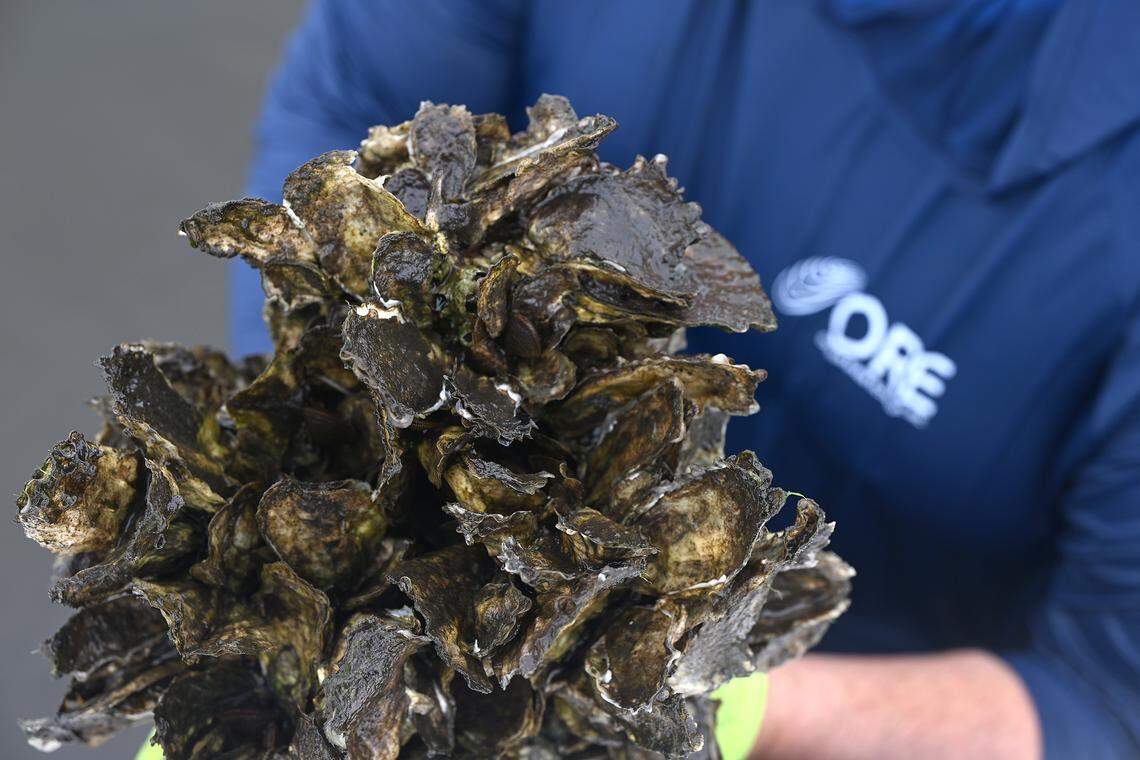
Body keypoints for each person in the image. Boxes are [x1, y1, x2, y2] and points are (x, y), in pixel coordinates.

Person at [237, 2, 1140, 757]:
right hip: (415, 568)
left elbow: (1102, 701)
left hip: (818, 707)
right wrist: (313, 492)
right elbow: (354, 116)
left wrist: (708, 703)